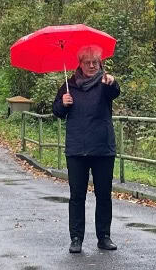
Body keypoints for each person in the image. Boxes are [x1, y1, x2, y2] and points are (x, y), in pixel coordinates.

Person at [52, 45, 121, 254]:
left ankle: (104, 236)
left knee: (103, 195)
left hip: (102, 148)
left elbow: (115, 91)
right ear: (79, 64)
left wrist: (112, 82)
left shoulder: (105, 82)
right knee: (77, 196)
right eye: (88, 62)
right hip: (77, 149)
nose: (92, 66)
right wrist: (63, 103)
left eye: (95, 62)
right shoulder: (68, 85)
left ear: (100, 63)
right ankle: (76, 238)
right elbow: (57, 112)